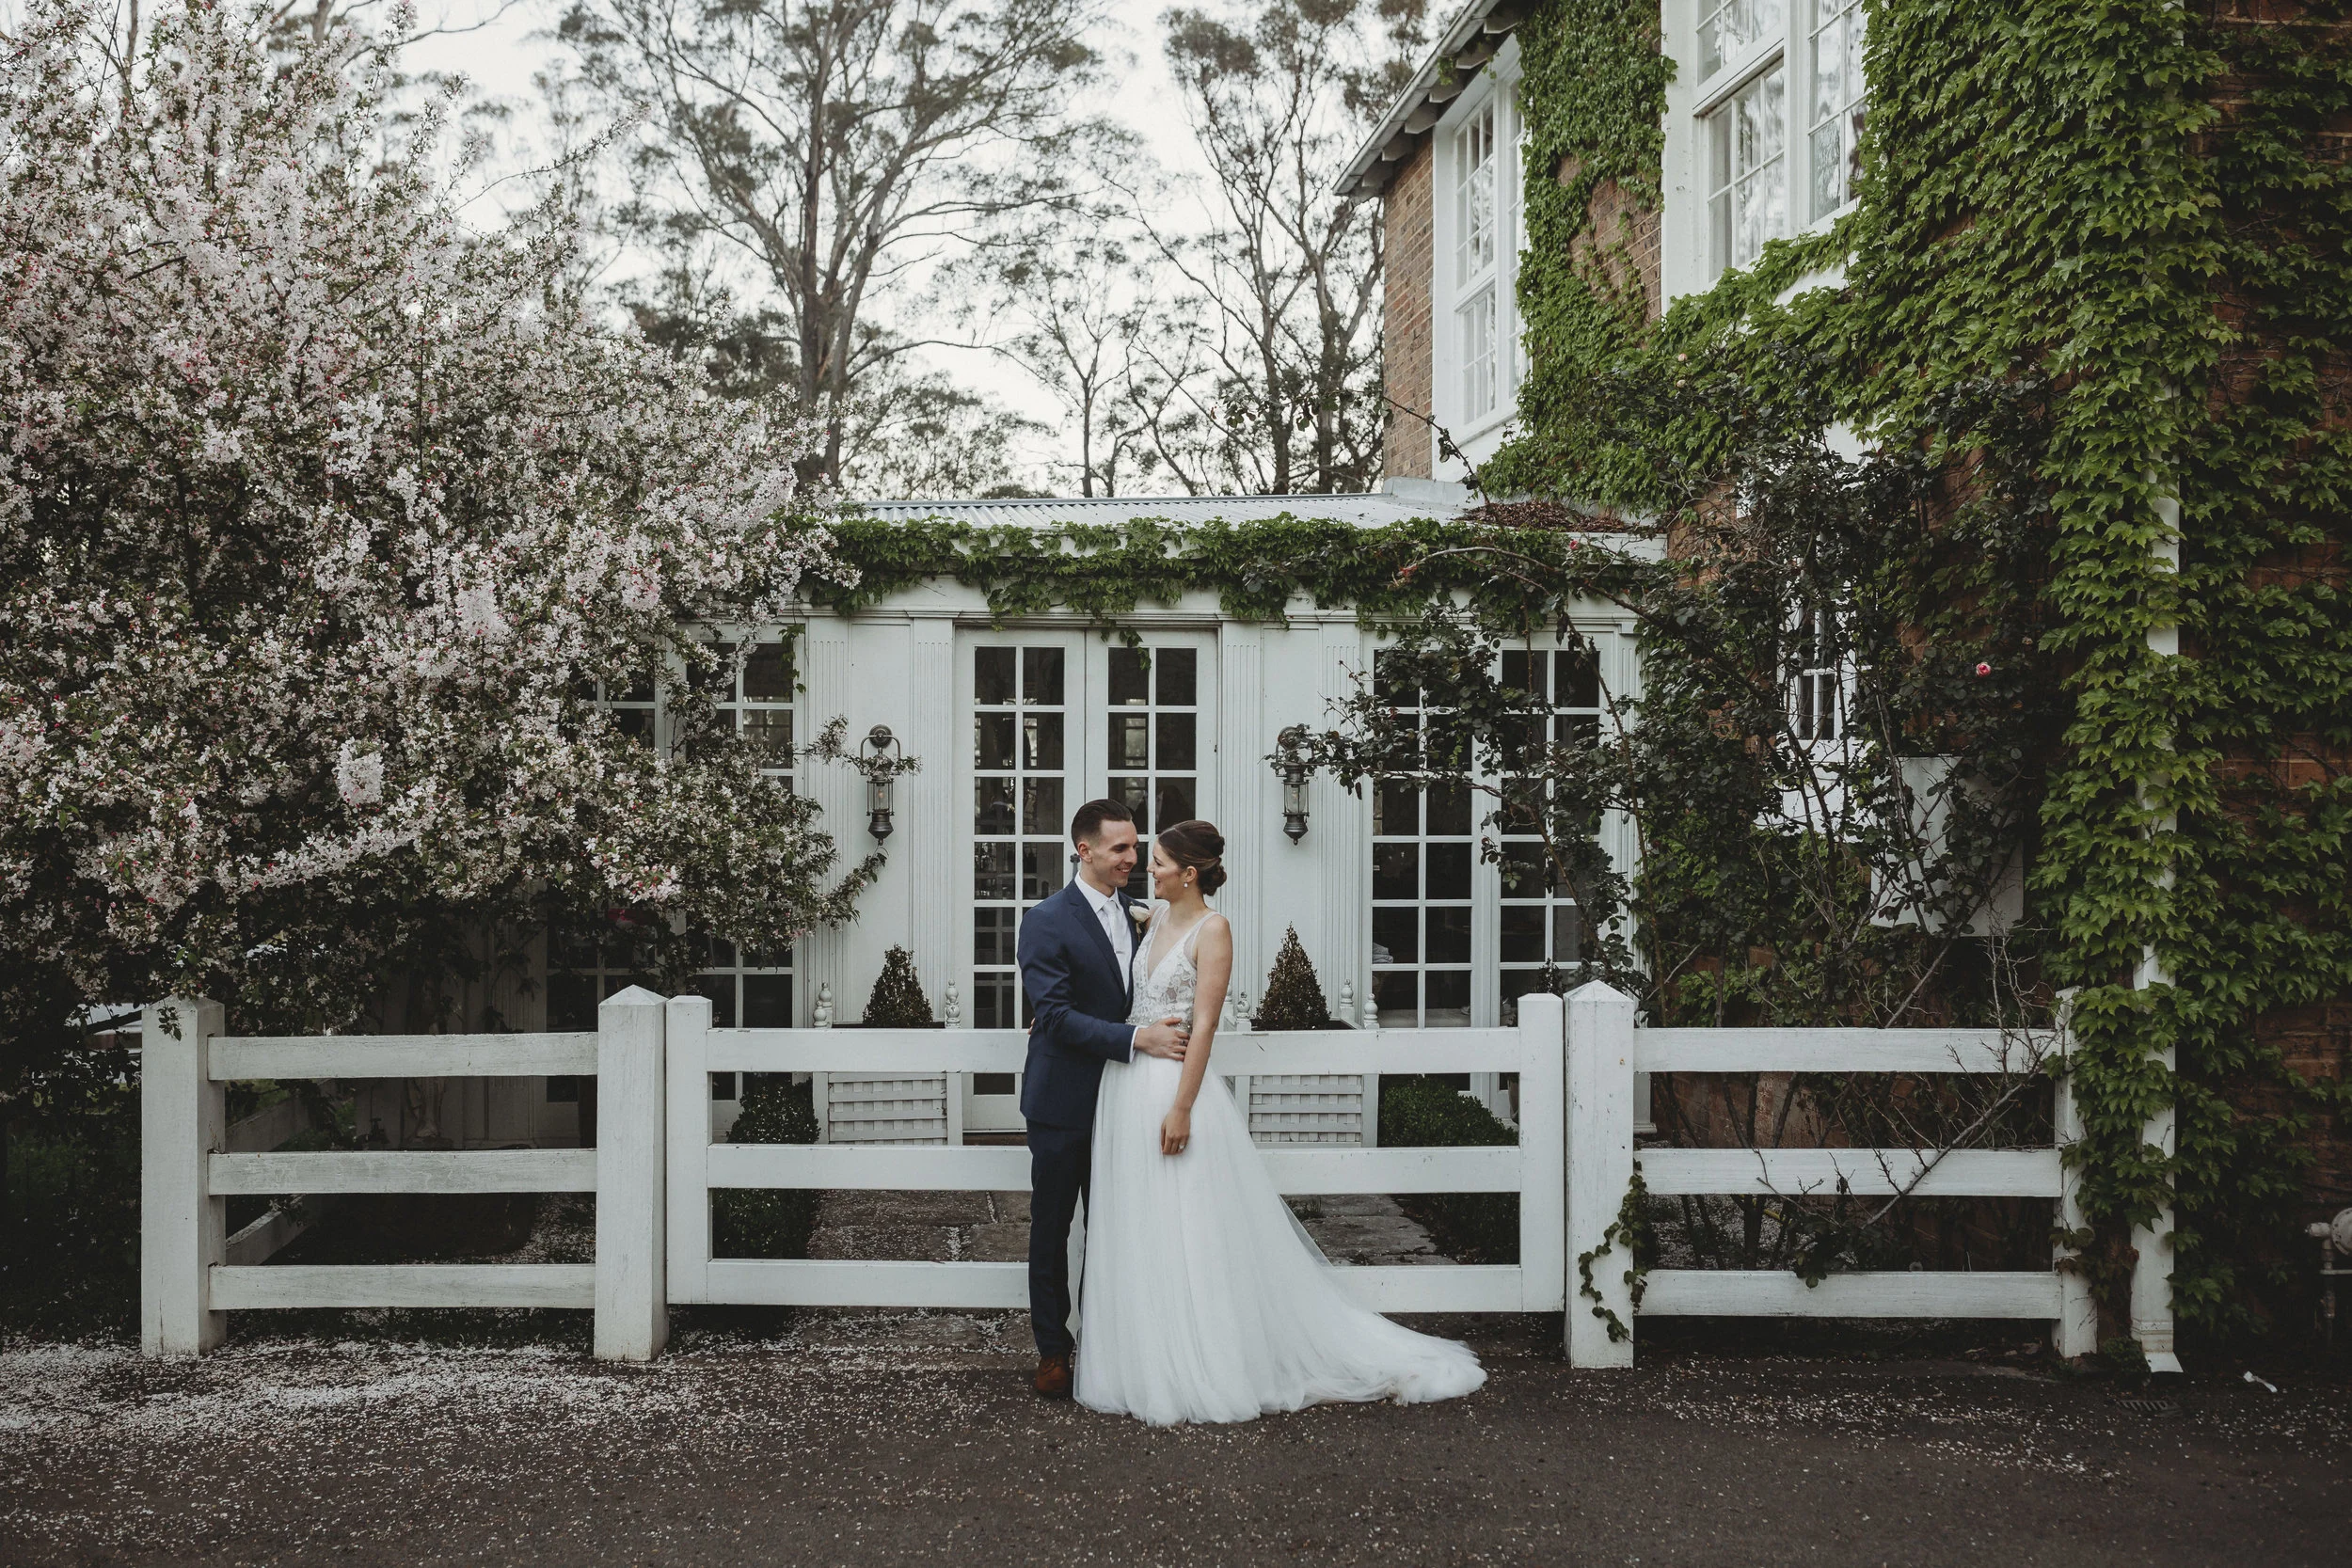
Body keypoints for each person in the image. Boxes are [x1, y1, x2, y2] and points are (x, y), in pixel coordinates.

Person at [1075, 817, 1486, 1425]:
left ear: (1189, 873)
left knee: (1190, 1230)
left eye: (1158, 861)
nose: (1147, 868)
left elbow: (1207, 1025)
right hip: (1127, 1088)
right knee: (1142, 1224)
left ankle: (1203, 1362)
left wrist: (1183, 1105)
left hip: (1174, 1090)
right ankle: (1145, 1355)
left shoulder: (1214, 930)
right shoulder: (1155, 917)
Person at [1013, 798, 1190, 1400]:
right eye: (1120, 848)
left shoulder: (1144, 916)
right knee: (1053, 1227)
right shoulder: (1045, 920)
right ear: (1083, 850)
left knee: (1115, 1227)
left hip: (1125, 1100)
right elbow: (1055, 1016)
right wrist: (1140, 1037)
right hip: (1063, 1100)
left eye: (1136, 848)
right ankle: (1053, 1351)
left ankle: (1110, 1345)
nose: (1132, 859)